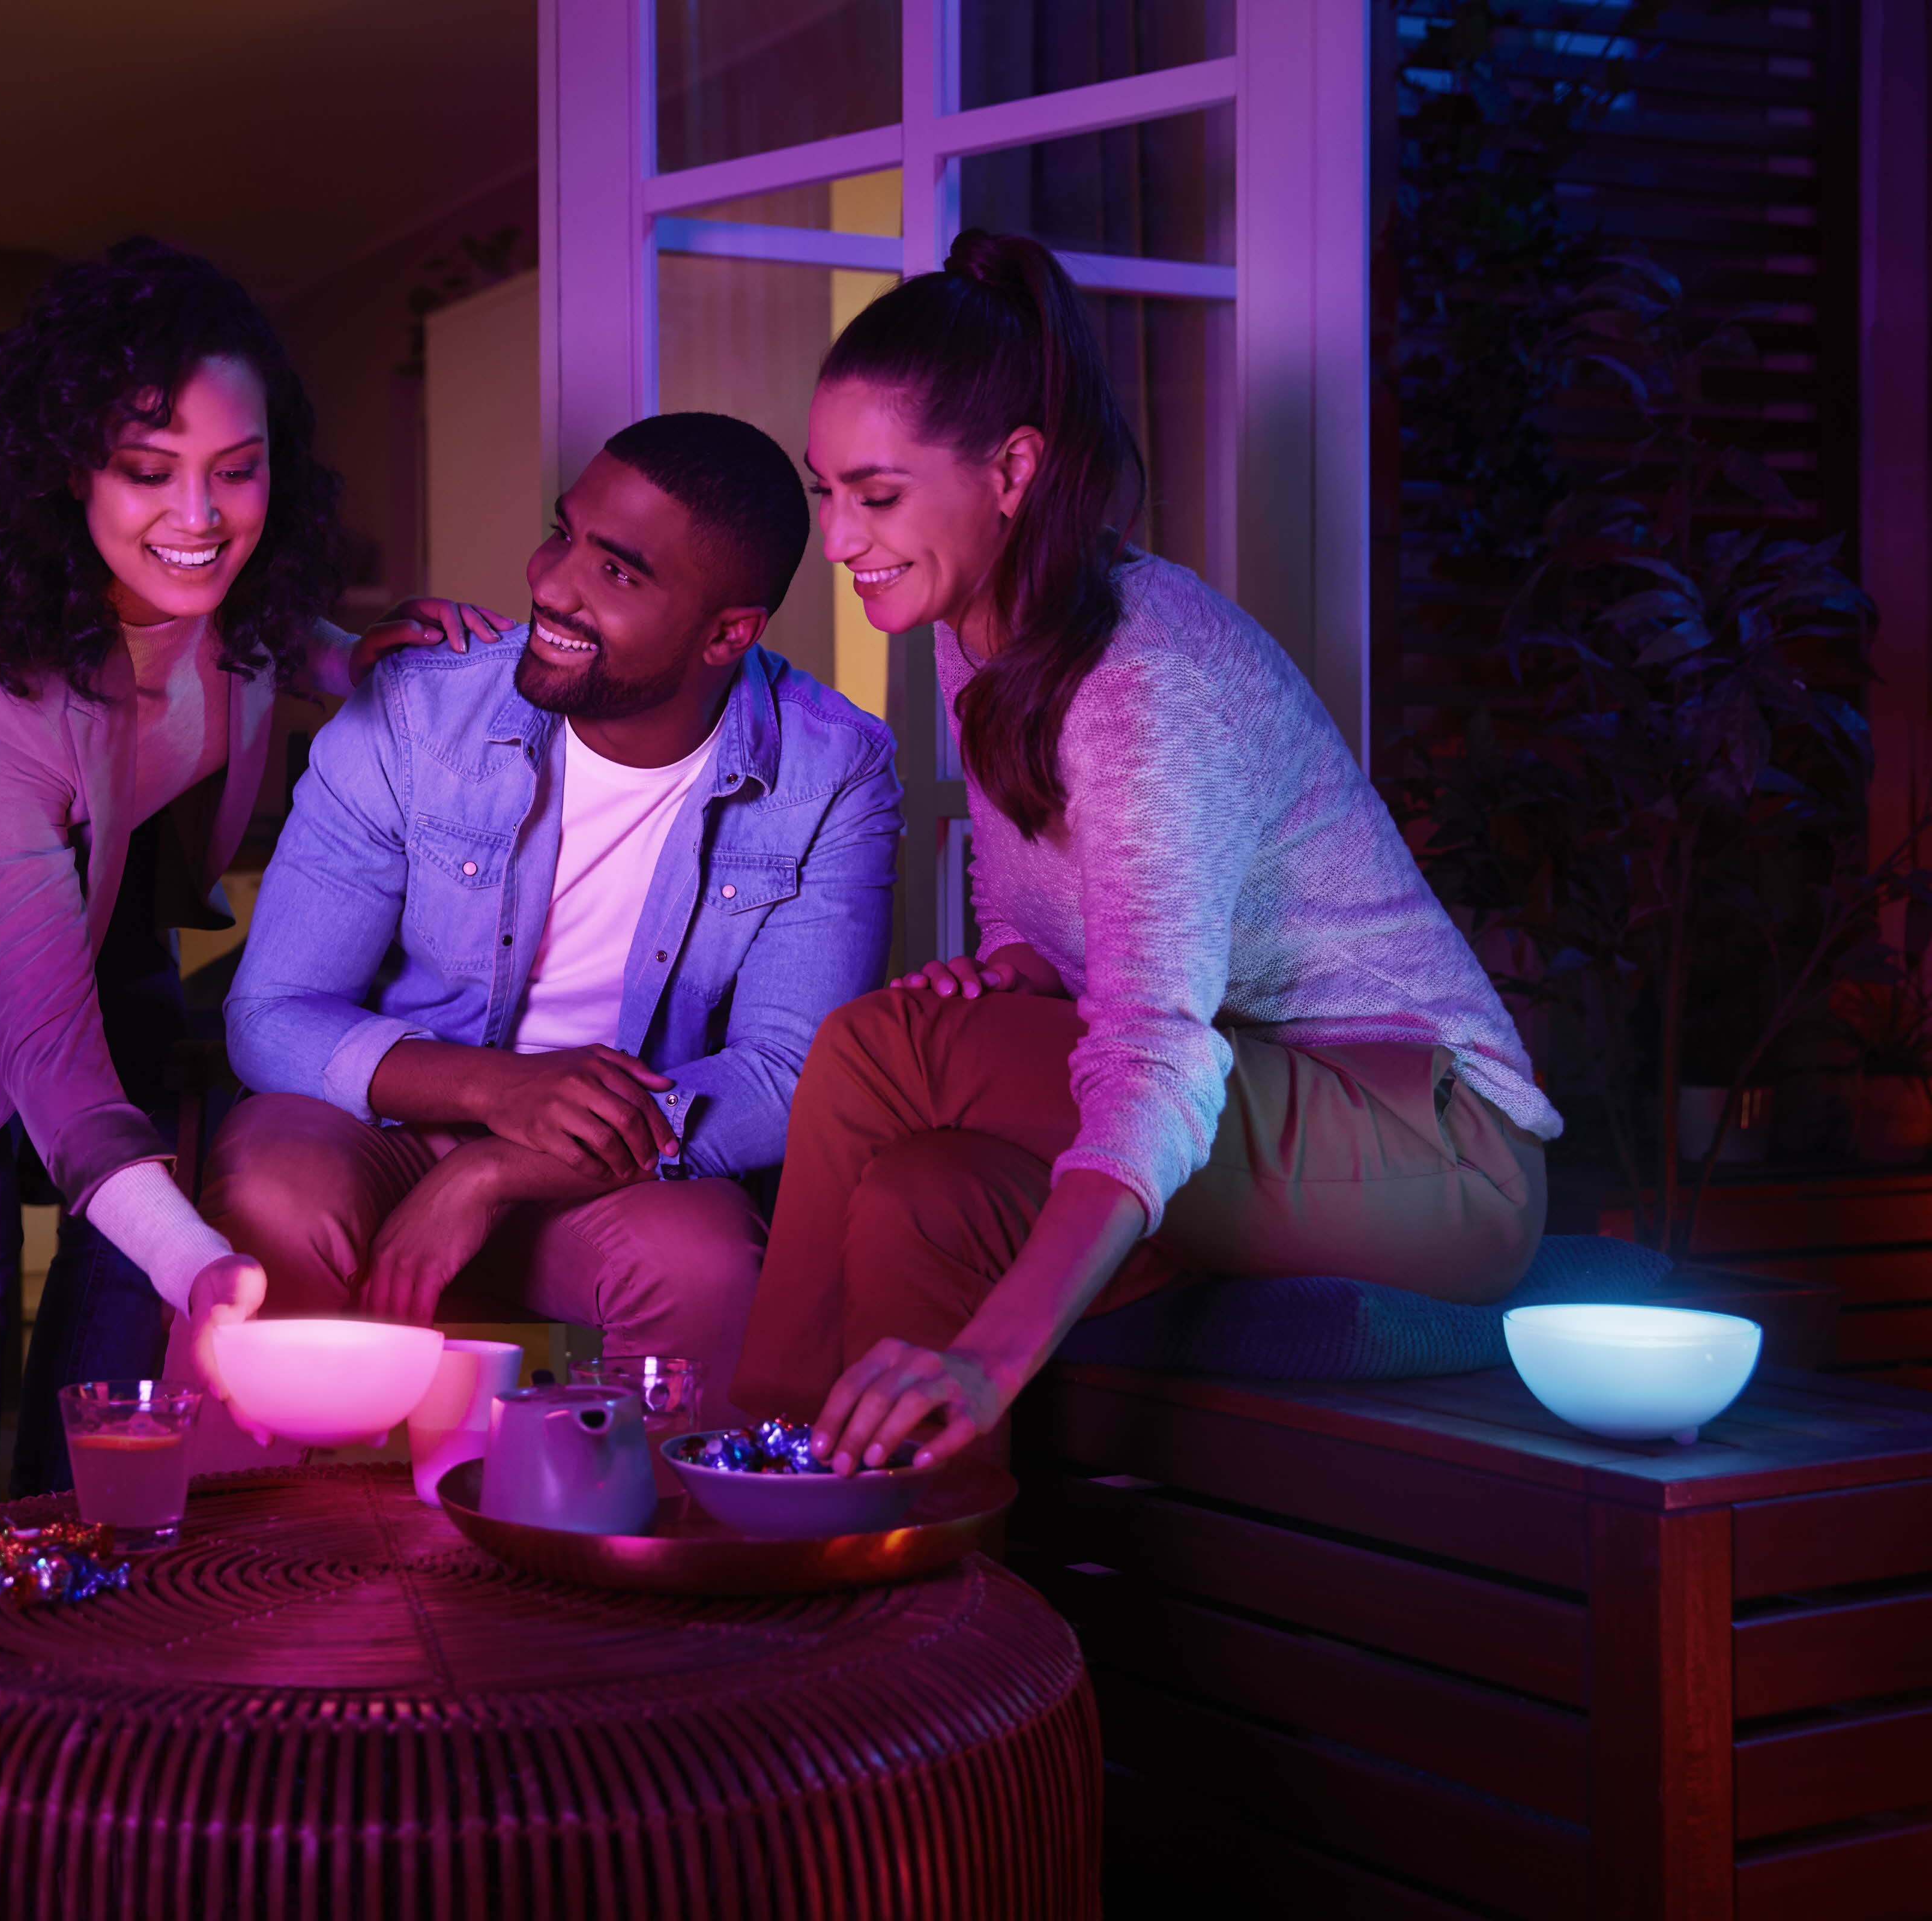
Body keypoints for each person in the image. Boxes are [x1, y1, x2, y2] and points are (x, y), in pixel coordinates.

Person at [735, 231, 1563, 1474]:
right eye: (826, 493)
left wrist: (988, 1358)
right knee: (923, 1194)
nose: (841, 539)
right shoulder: (989, 633)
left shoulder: (1144, 679)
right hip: (1256, 1096)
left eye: (879, 494)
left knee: (879, 1047)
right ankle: (910, 1599)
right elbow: (1034, 898)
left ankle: (745, 1485)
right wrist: (1015, 965)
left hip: (1430, 1151)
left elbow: (1158, 1053)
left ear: (1013, 469)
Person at [0, 239, 500, 1527]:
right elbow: (46, 1054)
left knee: (125, 1236)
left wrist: (352, 649)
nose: (198, 519)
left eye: (235, 473)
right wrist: (206, 1264)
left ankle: (78, 1552)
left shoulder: (221, 590)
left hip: (80, 885)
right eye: (148, 473)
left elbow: (240, 628)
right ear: (65, 475)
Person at [198, 411, 904, 1429]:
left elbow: (790, 1076)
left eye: (616, 573)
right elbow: (269, 1014)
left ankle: (643, 1569)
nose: (552, 583)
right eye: (563, 533)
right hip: (387, 1125)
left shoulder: (836, 769)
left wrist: (495, 1167)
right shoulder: (416, 709)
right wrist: (499, 1090)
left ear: (727, 633)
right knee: (271, 1184)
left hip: (611, 1166)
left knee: (704, 1264)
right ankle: (265, 1557)